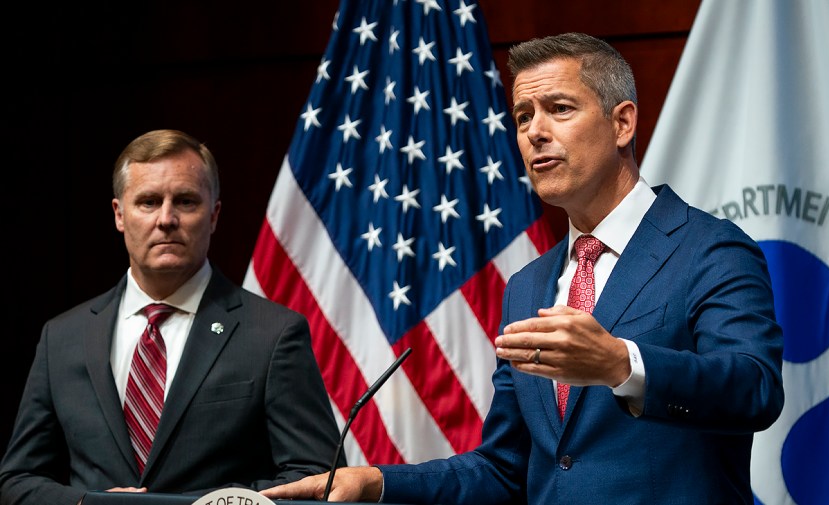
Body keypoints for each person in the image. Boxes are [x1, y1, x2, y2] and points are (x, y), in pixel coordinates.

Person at [261, 32, 785, 504]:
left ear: (622, 123)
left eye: (559, 108)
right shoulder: (527, 286)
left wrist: (621, 363)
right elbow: (505, 467)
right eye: (522, 116)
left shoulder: (709, 249)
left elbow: (755, 389)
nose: (535, 132)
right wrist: (377, 482)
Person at [0, 129, 345, 504]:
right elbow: (19, 480)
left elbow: (317, 479)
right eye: (148, 202)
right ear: (119, 214)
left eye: (185, 201)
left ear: (213, 216)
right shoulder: (62, 337)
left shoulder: (273, 334)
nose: (166, 219)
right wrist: (87, 503)